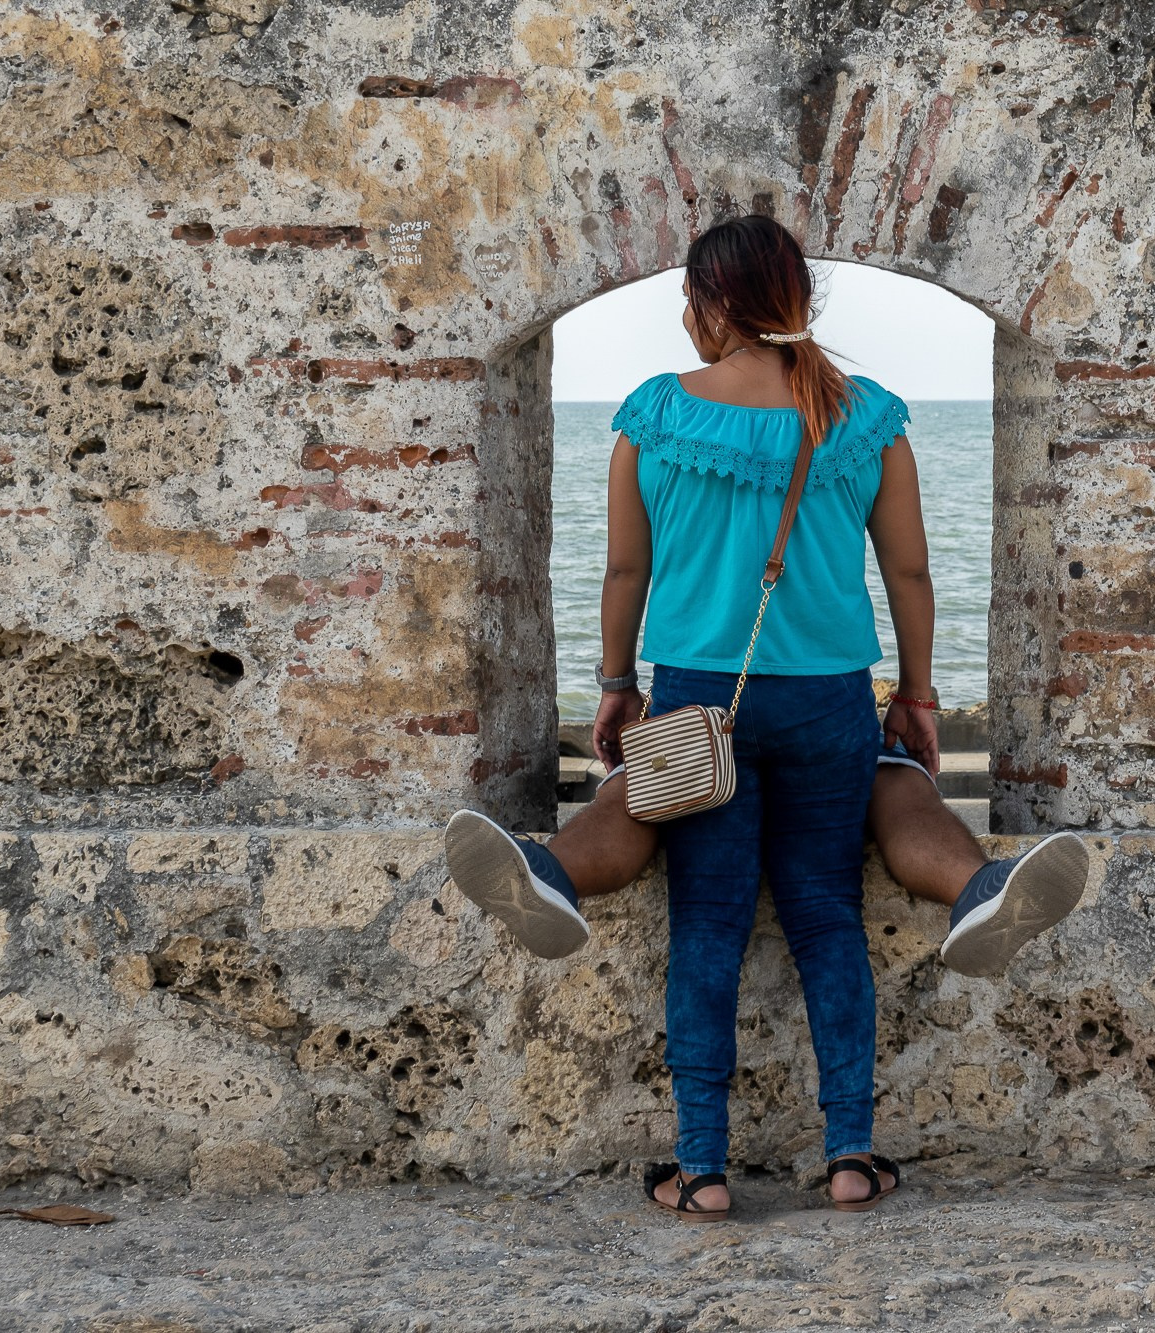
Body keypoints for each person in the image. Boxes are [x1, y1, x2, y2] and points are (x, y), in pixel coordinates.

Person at [443, 216, 1086, 1221]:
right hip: (830, 696)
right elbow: (909, 573)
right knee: (826, 915)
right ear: (796, 297)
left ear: (707, 303)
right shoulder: (863, 414)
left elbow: (624, 569)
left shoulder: (655, 414)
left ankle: (700, 1166)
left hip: (702, 692)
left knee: (707, 917)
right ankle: (849, 1155)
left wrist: (614, 684)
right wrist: (917, 695)